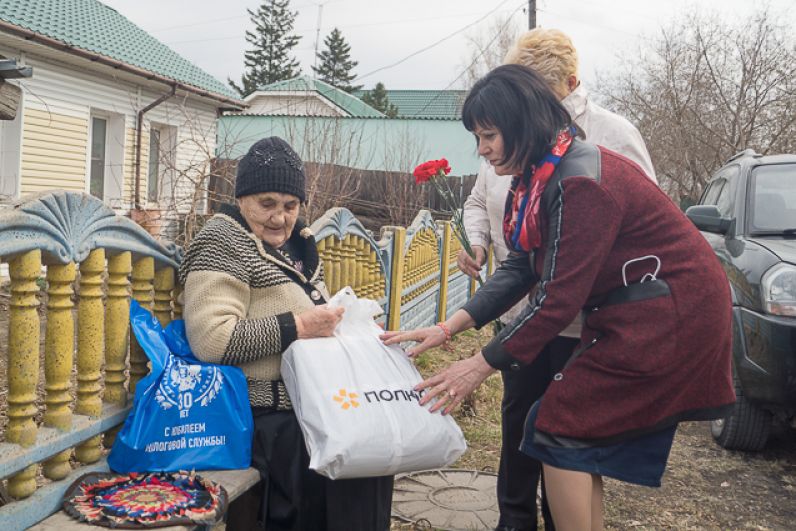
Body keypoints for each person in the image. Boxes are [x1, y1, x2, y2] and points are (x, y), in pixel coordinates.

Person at [382, 65, 735, 531]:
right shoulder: (543, 175)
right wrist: (450, 326)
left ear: (523, 125)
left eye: (488, 136)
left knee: (559, 424)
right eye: (478, 138)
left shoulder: (578, 182)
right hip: (645, 307)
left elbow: (557, 300)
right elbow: (522, 266)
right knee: (570, 429)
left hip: (670, 314)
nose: (482, 150)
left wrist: (478, 365)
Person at [457, 28, 657, 531]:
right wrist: (478, 250)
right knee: (523, 423)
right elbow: (511, 237)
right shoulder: (515, 145)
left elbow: (625, 234)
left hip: (581, 318)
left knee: (562, 434)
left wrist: (474, 363)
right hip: (521, 307)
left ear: (569, 83)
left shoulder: (603, 140)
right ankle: (515, 521)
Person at [179, 136, 393, 531]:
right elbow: (212, 340)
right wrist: (299, 326)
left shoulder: (298, 247)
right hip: (263, 415)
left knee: (372, 453)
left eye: (290, 206)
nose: (280, 217)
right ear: (242, 199)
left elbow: (314, 321)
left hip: (309, 401)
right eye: (267, 204)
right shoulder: (222, 241)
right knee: (349, 469)